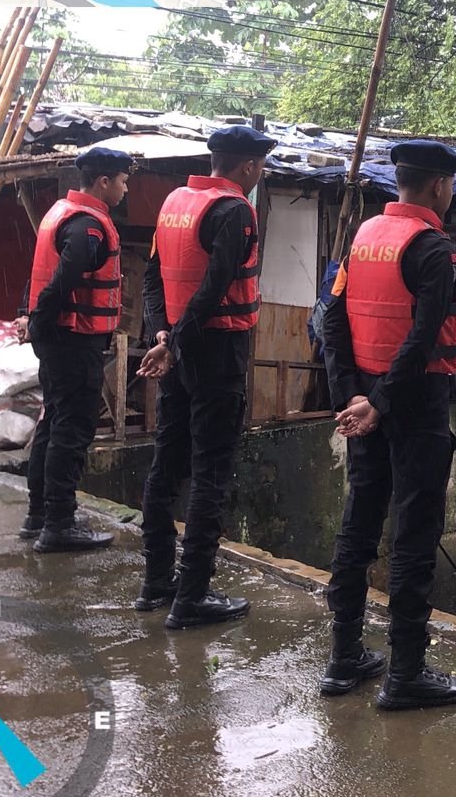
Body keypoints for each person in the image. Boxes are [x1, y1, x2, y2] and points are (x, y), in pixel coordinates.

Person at [318, 139, 456, 708]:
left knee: (358, 524)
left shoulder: (364, 240)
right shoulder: (433, 248)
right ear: (437, 185)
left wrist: (352, 399)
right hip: (414, 405)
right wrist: (378, 402)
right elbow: (425, 336)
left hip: (365, 404)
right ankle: (405, 673)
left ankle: (343, 659)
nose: (451, 194)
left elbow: (330, 322)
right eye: (451, 185)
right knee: (413, 535)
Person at [134, 126, 274, 629]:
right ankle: (191, 596)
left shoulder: (176, 201)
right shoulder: (236, 210)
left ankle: (157, 582)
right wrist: (175, 342)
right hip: (214, 352)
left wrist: (163, 338)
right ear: (249, 167)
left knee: (167, 462)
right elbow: (215, 290)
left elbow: (150, 278)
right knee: (210, 472)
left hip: (177, 349)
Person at [21, 146, 132, 552]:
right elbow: (63, 279)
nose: (125, 188)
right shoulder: (88, 226)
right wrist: (40, 321)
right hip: (74, 338)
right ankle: (60, 525)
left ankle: (40, 515)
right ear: (103, 181)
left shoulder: (59, 213)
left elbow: (43, 275)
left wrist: (35, 320)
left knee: (53, 423)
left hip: (59, 340)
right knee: (71, 429)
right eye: (122, 180)